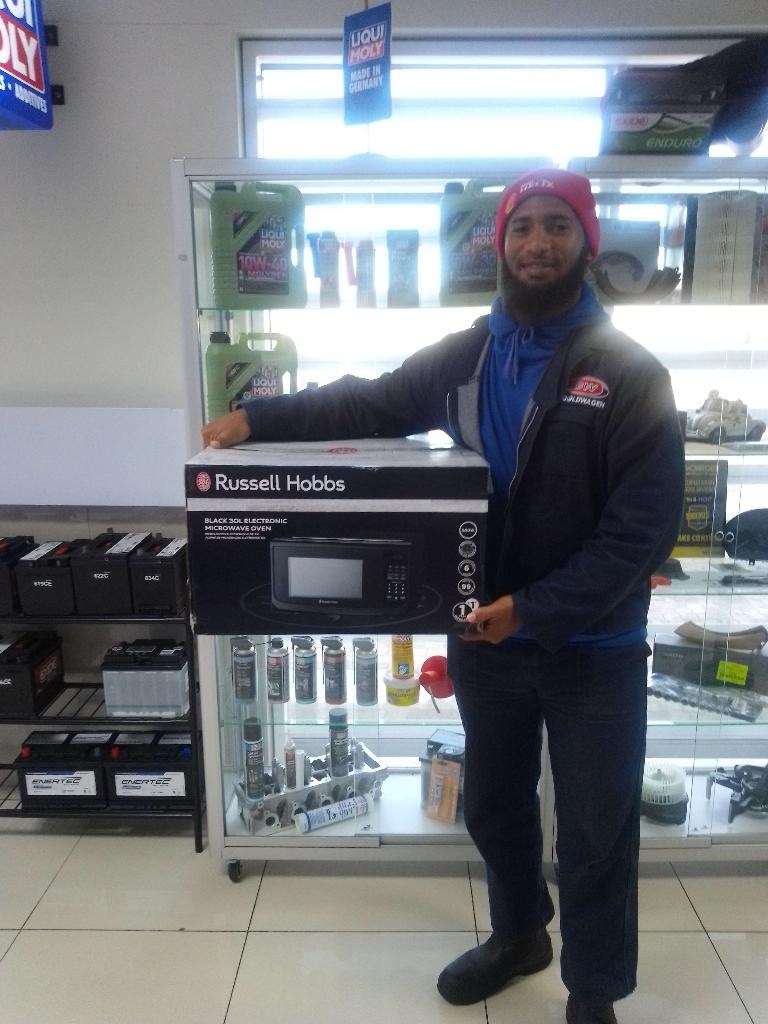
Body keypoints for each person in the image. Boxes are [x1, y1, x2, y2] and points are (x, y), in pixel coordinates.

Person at [202, 168, 685, 1024]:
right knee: (493, 808)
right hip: (485, 641)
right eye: (522, 227)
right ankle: (520, 935)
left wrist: (532, 609)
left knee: (595, 832)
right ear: (500, 244)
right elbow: (368, 401)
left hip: (595, 650)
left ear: (587, 243)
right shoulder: (469, 355)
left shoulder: (630, 373)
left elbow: (640, 534)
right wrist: (259, 418)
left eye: (558, 226)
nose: (538, 243)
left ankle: (594, 992)